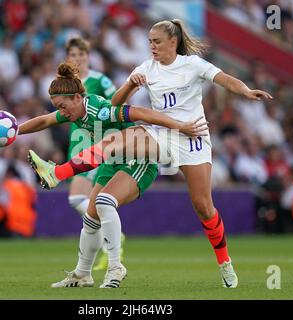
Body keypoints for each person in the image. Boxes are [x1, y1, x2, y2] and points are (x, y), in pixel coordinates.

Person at [28, 19, 273, 288]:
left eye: (156, 41)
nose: (152, 46)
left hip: (192, 136)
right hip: (161, 133)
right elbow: (114, 104)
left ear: (173, 42)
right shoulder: (146, 68)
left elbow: (224, 79)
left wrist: (246, 91)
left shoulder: (192, 65)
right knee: (116, 142)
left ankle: (225, 263)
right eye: (149, 41)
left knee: (203, 207)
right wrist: (131, 84)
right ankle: (57, 173)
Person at [20, 62, 207, 288]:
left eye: (62, 106)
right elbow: (44, 120)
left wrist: (180, 126)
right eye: (58, 107)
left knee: (104, 202)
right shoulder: (72, 112)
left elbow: (141, 112)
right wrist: (15, 131)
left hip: (137, 161)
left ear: (78, 98)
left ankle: (116, 266)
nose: (61, 112)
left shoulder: (100, 111)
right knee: (90, 218)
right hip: (111, 163)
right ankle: (82, 274)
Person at [65, 37, 121, 271]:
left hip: (96, 142)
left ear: (88, 56)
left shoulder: (99, 79)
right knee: (84, 203)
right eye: (73, 55)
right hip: (77, 142)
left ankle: (112, 239)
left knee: (78, 199)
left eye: (81, 54)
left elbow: (115, 103)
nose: (78, 58)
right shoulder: (66, 83)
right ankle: (109, 236)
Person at [0, 164, 38, 238]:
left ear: (9, 173)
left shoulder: (8, 185)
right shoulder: (26, 187)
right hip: (28, 226)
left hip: (12, 225)